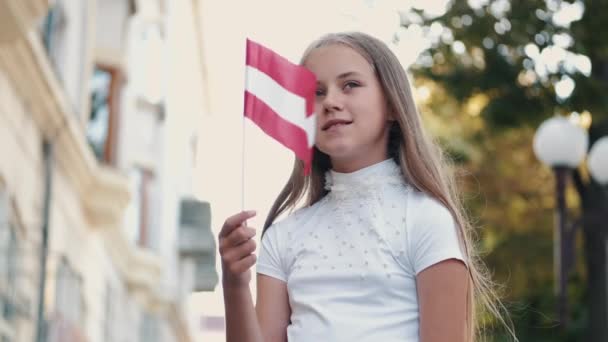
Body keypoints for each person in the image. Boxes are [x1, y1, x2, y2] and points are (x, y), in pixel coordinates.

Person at [219, 31, 513, 342]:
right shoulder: (282, 238)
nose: (331, 101)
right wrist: (235, 283)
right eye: (316, 92)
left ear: (392, 105)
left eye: (350, 85)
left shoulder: (425, 220)